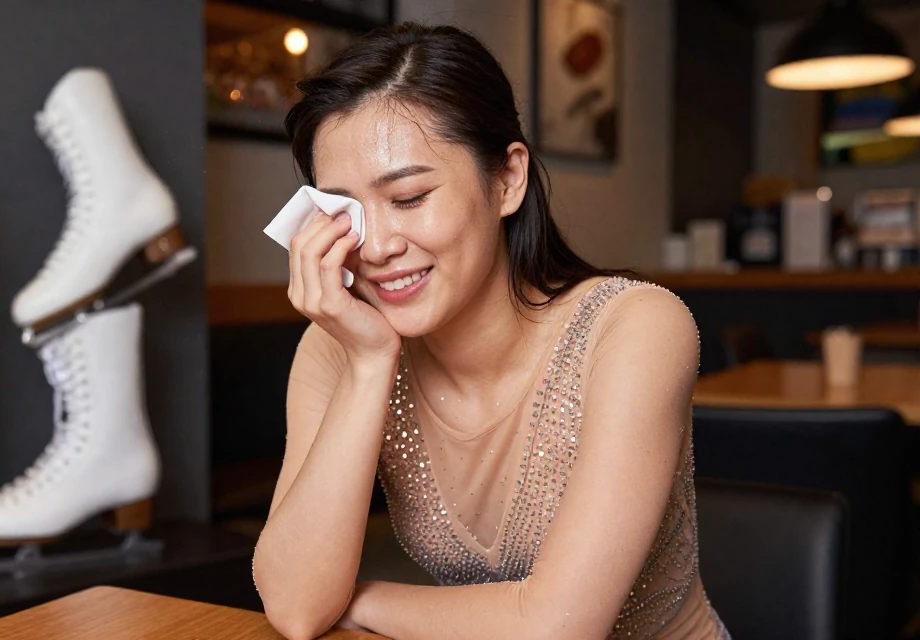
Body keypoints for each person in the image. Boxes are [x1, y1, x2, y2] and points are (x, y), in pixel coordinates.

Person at [251, 22, 729, 640]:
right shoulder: (339, 345)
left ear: (507, 179)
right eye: (346, 212)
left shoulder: (635, 327)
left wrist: (356, 600)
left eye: (410, 196)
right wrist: (369, 364)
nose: (379, 247)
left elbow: (556, 629)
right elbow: (293, 607)